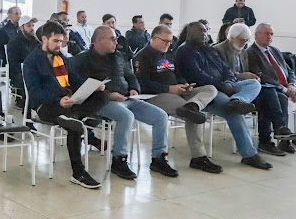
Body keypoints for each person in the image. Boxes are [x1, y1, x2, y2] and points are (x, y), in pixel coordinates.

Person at [71, 26, 178, 180]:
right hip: (100, 101)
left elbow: (130, 75)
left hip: (127, 99)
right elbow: (80, 86)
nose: (116, 42)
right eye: (112, 39)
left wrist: (134, 88)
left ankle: (159, 158)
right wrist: (109, 95)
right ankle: (119, 160)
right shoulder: (82, 60)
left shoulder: (118, 56)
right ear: (99, 40)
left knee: (160, 116)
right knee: (126, 116)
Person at [22, 21, 110, 189]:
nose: (59, 45)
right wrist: (58, 100)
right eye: (55, 41)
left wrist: (92, 86)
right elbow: (35, 93)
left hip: (68, 101)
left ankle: (75, 116)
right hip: (47, 105)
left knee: (103, 96)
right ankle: (78, 173)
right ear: (44, 39)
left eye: (61, 41)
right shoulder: (32, 61)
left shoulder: (61, 57)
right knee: (75, 126)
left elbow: (74, 79)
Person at [175, 22, 273, 170]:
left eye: (206, 30)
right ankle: (249, 154)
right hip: (205, 91)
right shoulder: (184, 51)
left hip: (224, 86)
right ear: (190, 32)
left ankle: (238, 100)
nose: (204, 33)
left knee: (254, 84)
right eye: (200, 31)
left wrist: (229, 82)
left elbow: (226, 69)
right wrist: (222, 86)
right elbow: (198, 76)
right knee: (232, 112)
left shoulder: (209, 49)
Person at [134, 25, 222, 173]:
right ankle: (199, 157)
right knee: (192, 116)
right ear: (154, 38)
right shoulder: (142, 56)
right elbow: (142, 84)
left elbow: (177, 74)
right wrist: (168, 89)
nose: (168, 44)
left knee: (210, 89)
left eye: (170, 41)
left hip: (177, 91)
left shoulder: (169, 53)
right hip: (156, 95)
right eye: (165, 41)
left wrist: (184, 84)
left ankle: (193, 105)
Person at [214, 23, 296, 156]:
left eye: (246, 40)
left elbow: (287, 71)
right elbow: (218, 74)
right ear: (232, 37)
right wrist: (242, 75)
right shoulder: (218, 50)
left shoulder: (243, 51)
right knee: (268, 95)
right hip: (229, 87)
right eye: (242, 40)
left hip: (247, 87)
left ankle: (280, 133)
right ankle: (271, 136)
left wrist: (252, 77)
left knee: (277, 96)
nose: (244, 43)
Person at [247, 23, 296, 150]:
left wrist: (292, 85)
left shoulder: (275, 51)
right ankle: (284, 139)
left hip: (289, 88)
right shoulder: (251, 53)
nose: (269, 37)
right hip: (272, 90)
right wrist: (284, 89)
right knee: (281, 98)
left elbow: (290, 71)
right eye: (266, 33)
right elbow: (261, 77)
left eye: (271, 34)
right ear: (256, 35)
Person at [5, 15, 40, 92]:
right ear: (21, 28)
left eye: (33, 25)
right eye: (28, 26)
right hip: (19, 73)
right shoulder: (14, 42)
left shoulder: (36, 42)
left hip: (35, 71)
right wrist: (30, 69)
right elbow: (13, 65)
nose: (32, 28)